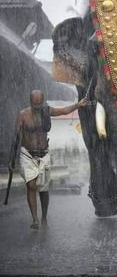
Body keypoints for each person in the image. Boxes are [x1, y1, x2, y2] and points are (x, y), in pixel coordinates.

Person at [9, 90, 87, 229]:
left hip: (43, 154)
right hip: (27, 154)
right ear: (30, 101)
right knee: (31, 185)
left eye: (39, 103)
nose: (37, 106)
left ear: (43, 101)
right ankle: (35, 220)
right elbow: (16, 138)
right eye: (35, 103)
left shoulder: (46, 111)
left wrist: (77, 105)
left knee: (44, 189)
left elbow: (64, 110)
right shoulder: (23, 115)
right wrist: (12, 159)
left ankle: (44, 216)